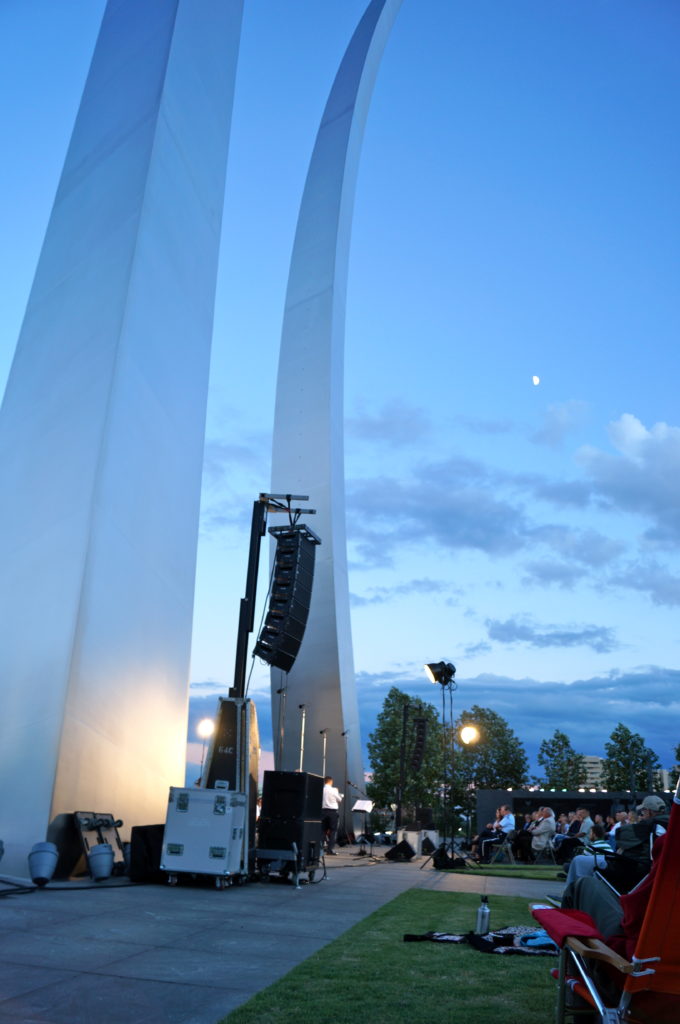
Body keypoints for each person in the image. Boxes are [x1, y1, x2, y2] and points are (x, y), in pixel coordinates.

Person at [321, 776, 343, 855]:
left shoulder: (321, 789)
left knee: (322, 830)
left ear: (324, 782)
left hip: (323, 812)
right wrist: (337, 792)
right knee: (333, 831)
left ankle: (320, 849)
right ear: (331, 782)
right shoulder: (334, 790)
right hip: (332, 812)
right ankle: (330, 850)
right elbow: (340, 800)